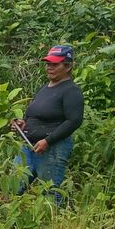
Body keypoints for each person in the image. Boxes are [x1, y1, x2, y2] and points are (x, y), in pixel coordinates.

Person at [10, 44, 84, 206]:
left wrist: (48, 141)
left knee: (50, 194)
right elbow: (33, 115)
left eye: (55, 64)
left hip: (52, 149)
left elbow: (74, 121)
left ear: (68, 66)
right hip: (28, 146)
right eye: (48, 63)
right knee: (13, 186)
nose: (49, 67)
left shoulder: (71, 91)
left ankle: (55, 220)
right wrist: (22, 123)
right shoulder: (44, 89)